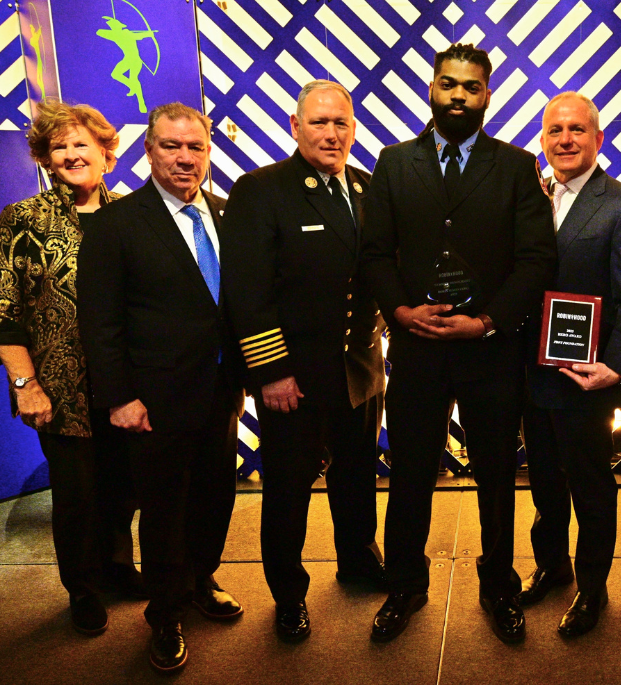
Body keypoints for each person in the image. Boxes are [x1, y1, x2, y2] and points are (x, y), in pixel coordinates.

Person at [361, 43, 557, 644]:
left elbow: (536, 258)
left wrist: (489, 321)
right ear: (431, 88)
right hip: (417, 349)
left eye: (471, 87)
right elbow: (374, 253)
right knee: (409, 474)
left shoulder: (516, 165)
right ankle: (404, 585)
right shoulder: (394, 163)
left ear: (487, 95)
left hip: (490, 352)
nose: (458, 96)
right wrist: (399, 312)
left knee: (496, 476)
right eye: (449, 84)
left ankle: (499, 586)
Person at [77, 103, 245, 673]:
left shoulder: (226, 214)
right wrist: (120, 398)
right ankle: (166, 614)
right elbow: (99, 323)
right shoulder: (116, 225)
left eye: (195, 147)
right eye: (171, 146)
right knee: (165, 510)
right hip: (153, 402)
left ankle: (200, 581)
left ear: (208, 152)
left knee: (215, 496)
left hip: (222, 391)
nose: (184, 157)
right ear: (149, 151)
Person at [220, 80, 386, 643]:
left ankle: (358, 559)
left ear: (354, 128)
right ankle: (289, 594)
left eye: (341, 123)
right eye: (319, 122)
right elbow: (247, 292)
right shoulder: (261, 190)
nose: (331, 134)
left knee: (357, 475)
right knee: (289, 491)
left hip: (359, 369)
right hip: (294, 376)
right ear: (295, 126)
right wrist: (270, 372)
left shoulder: (365, 187)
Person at [517, 92, 621, 637]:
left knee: (591, 488)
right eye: (555, 131)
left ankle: (592, 588)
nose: (565, 139)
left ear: (598, 139)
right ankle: (552, 566)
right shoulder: (531, 200)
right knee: (544, 483)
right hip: (530, 374)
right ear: (543, 140)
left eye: (577, 130)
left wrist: (616, 367)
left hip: (586, 379)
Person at [0, 101, 142, 635]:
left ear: (106, 152)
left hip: (126, 383)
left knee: (123, 486)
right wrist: (25, 384)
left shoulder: (133, 213)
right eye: (59, 147)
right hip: (58, 388)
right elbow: (4, 311)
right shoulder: (22, 219)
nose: (72, 154)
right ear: (45, 158)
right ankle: (83, 589)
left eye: (82, 143)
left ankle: (118, 568)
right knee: (78, 496)